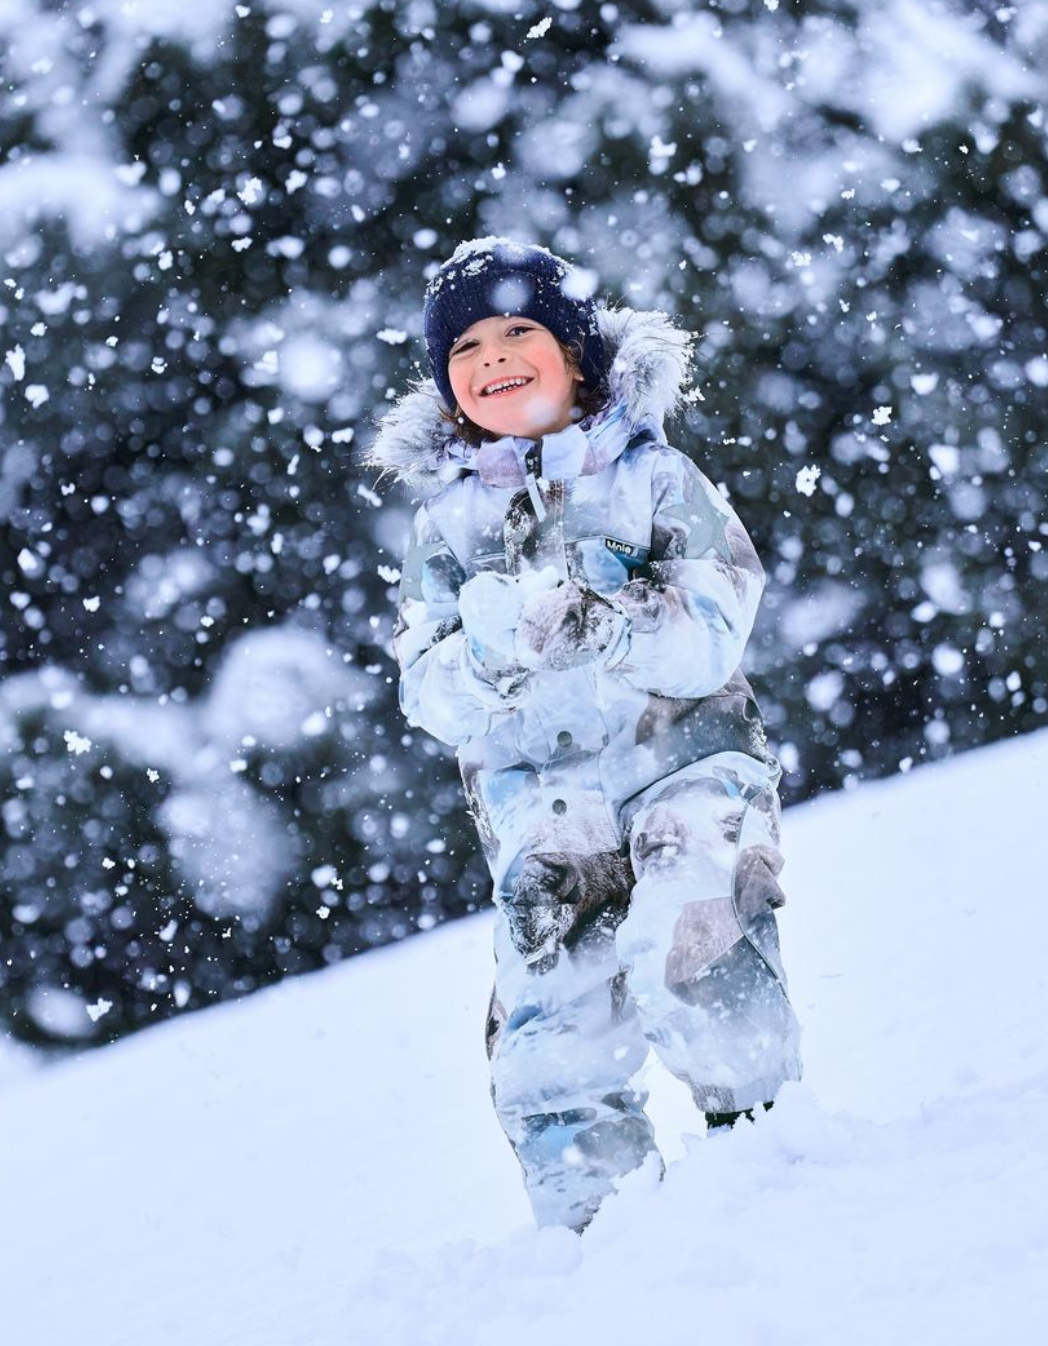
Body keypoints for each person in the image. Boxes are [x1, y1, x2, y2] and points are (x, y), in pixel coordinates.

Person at [365, 237, 803, 1233]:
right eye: (465, 346)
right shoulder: (445, 528)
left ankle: (769, 1144)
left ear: (575, 350)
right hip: (543, 805)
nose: (492, 355)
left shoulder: (655, 476)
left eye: (518, 330)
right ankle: (594, 1228)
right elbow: (427, 690)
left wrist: (614, 621)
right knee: (549, 1022)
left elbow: (715, 625)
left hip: (686, 763)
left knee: (693, 925)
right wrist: (488, 654)